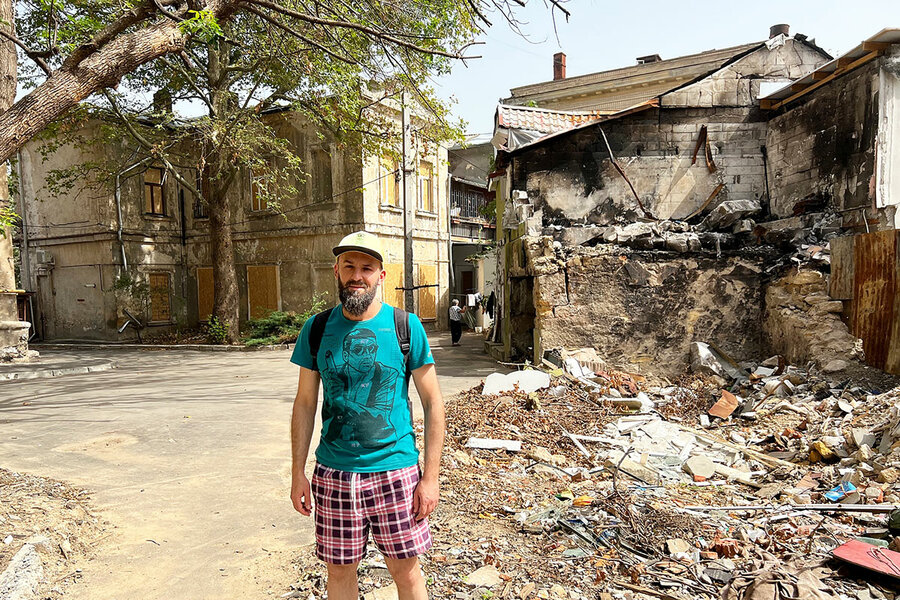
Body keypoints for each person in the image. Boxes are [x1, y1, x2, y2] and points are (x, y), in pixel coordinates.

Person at [289, 231, 446, 600]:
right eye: (349, 266)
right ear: (337, 271)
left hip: (396, 473)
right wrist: (298, 472)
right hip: (334, 474)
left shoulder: (406, 327)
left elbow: (434, 403)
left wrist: (432, 477)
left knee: (406, 574)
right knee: (339, 574)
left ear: (381, 276)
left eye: (367, 267)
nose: (357, 275)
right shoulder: (316, 329)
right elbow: (305, 404)